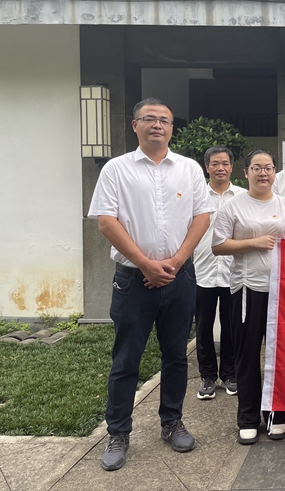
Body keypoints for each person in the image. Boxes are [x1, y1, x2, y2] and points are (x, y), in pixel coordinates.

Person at [88, 98, 213, 471]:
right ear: (135, 125)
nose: (158, 125)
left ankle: (172, 422)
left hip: (179, 277)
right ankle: (118, 433)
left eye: (165, 120)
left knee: (176, 355)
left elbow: (201, 217)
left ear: (172, 128)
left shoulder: (189, 169)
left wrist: (175, 262)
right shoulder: (116, 169)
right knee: (126, 359)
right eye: (150, 119)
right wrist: (145, 263)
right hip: (133, 280)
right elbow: (106, 221)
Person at [211, 149, 285, 445]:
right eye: (257, 168)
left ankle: (276, 415)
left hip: (281, 292)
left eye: (268, 168)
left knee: (280, 355)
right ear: (246, 172)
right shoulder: (234, 206)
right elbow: (218, 246)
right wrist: (254, 242)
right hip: (247, 290)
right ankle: (248, 418)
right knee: (247, 355)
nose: (263, 173)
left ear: (275, 172)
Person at [193, 147, 244, 401]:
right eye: (215, 163)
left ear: (232, 167)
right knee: (203, 326)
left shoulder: (243, 196)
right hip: (202, 269)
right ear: (207, 167)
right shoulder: (197, 195)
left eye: (225, 163)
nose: (220, 168)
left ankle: (230, 374)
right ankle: (207, 376)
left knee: (231, 325)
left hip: (233, 270)